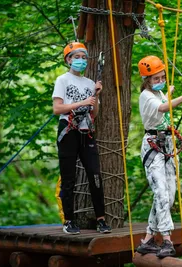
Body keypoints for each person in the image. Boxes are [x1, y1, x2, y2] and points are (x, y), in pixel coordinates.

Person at [136, 55, 182, 258]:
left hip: (167, 145)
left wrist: (168, 92)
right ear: (146, 81)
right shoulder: (146, 95)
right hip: (153, 147)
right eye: (156, 78)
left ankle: (147, 239)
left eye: (162, 77)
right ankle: (167, 240)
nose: (160, 81)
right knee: (161, 193)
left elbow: (164, 100)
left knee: (168, 197)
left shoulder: (159, 92)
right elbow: (163, 108)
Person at [52, 42, 111, 235]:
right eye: (76, 57)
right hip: (68, 131)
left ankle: (101, 220)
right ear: (68, 60)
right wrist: (83, 102)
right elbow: (57, 109)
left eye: (84, 57)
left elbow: (94, 114)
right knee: (69, 178)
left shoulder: (89, 84)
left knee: (95, 175)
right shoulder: (63, 80)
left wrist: (96, 97)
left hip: (86, 130)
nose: (81, 61)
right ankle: (69, 220)